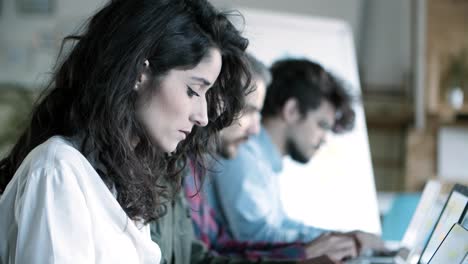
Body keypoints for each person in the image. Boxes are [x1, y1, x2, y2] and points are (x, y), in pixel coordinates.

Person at [0, 0, 252, 263]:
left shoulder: (127, 179)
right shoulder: (58, 171)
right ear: (139, 73)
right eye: (193, 90)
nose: (202, 116)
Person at [151, 54, 339, 264]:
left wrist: (298, 259)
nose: (256, 129)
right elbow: (238, 240)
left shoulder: (186, 168)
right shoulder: (167, 169)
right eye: (248, 111)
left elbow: (205, 252)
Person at [208, 58, 385, 262]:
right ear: (291, 111)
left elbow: (280, 224)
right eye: (322, 125)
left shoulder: (262, 159)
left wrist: (340, 239)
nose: (324, 139)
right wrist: (342, 242)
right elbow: (258, 236)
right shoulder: (242, 151)